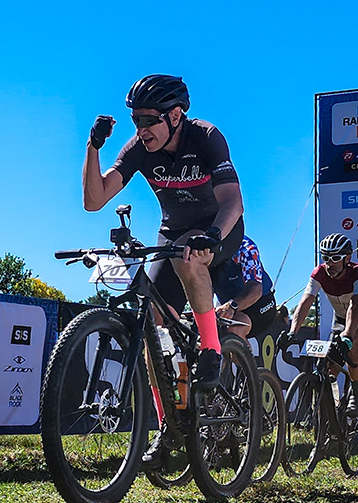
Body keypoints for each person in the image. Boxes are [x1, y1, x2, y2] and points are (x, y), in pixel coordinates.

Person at [82, 74, 245, 469]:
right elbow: (94, 200)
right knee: (153, 326)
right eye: (136, 121)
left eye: (149, 120)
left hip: (220, 228)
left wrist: (212, 235)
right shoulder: (140, 148)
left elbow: (233, 202)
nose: (142, 130)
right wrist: (93, 147)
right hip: (173, 232)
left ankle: (212, 348)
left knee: (188, 257)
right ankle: (169, 426)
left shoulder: (205, 136)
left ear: (175, 115)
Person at [277, 233, 358, 417]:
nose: (330, 263)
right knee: (327, 368)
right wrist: (292, 331)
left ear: (347, 258)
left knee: (351, 344)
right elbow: (305, 302)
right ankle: (330, 413)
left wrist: (348, 336)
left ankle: (356, 394)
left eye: (335, 258)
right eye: (326, 258)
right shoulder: (319, 273)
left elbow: (355, 306)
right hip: (340, 321)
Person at [212, 235, 277, 342]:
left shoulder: (246, 248)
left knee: (233, 330)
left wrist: (232, 306)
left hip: (260, 301)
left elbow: (255, 289)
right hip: (228, 304)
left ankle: (242, 350)